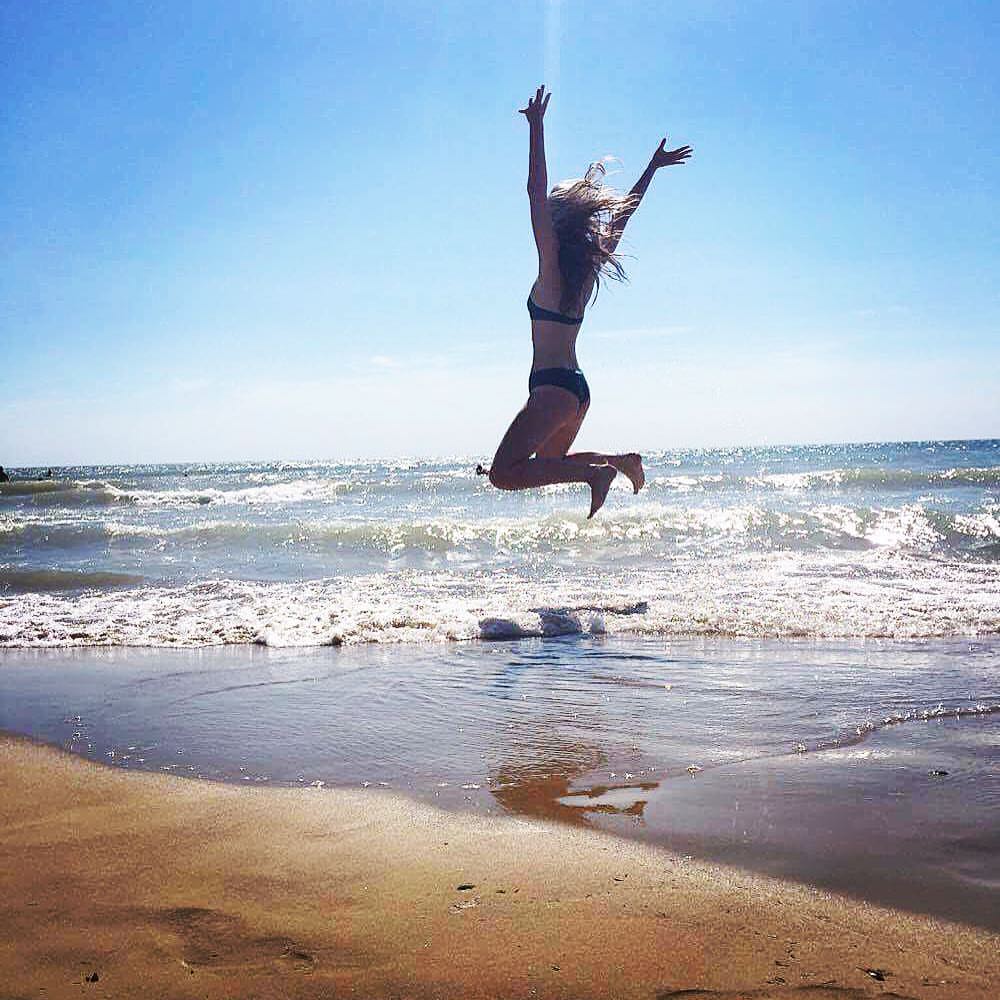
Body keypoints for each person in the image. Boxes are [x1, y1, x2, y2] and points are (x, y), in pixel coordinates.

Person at [487, 85, 692, 517]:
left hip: (553, 388)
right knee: (550, 463)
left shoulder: (552, 271)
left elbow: (534, 191)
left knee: (502, 474)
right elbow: (624, 215)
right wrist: (652, 168)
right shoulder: (586, 273)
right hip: (577, 390)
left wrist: (536, 128)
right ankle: (620, 463)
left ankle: (597, 474)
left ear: (556, 226)